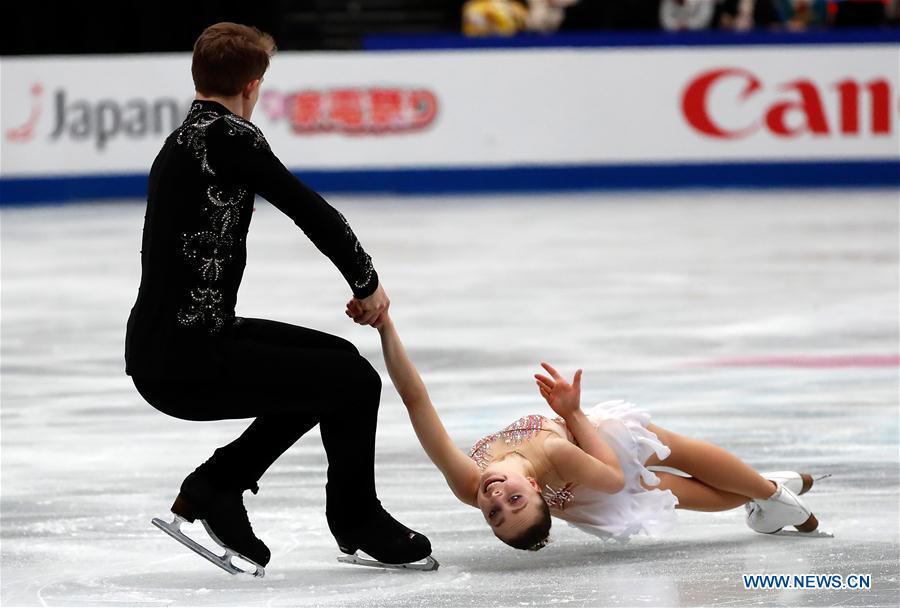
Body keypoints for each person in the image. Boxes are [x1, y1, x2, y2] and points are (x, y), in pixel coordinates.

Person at [125, 22, 433, 576]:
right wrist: (368, 284)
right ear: (253, 86)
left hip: (176, 343)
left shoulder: (183, 139)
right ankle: (352, 516)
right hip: (186, 359)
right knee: (351, 382)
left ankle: (218, 485)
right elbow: (310, 210)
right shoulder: (231, 136)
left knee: (339, 365)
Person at [348, 305, 829, 551]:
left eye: (495, 511)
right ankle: (771, 492)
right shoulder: (554, 458)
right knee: (675, 490)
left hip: (589, 458)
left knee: (681, 454)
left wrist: (386, 327)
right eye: (511, 504)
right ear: (534, 487)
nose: (495, 499)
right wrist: (574, 415)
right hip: (594, 460)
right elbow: (613, 477)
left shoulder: (468, 482)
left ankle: (771, 492)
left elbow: (415, 401)